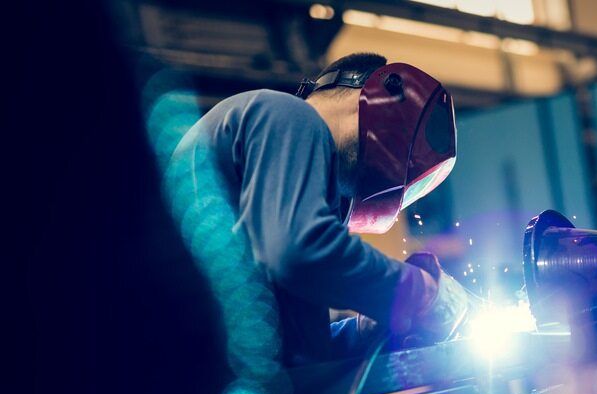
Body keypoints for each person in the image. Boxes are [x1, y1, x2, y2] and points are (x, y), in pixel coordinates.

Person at [171, 52, 468, 365]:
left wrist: (364, 333)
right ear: (372, 95)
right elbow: (300, 253)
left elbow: (296, 355)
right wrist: (420, 291)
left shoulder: (299, 195)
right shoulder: (286, 115)